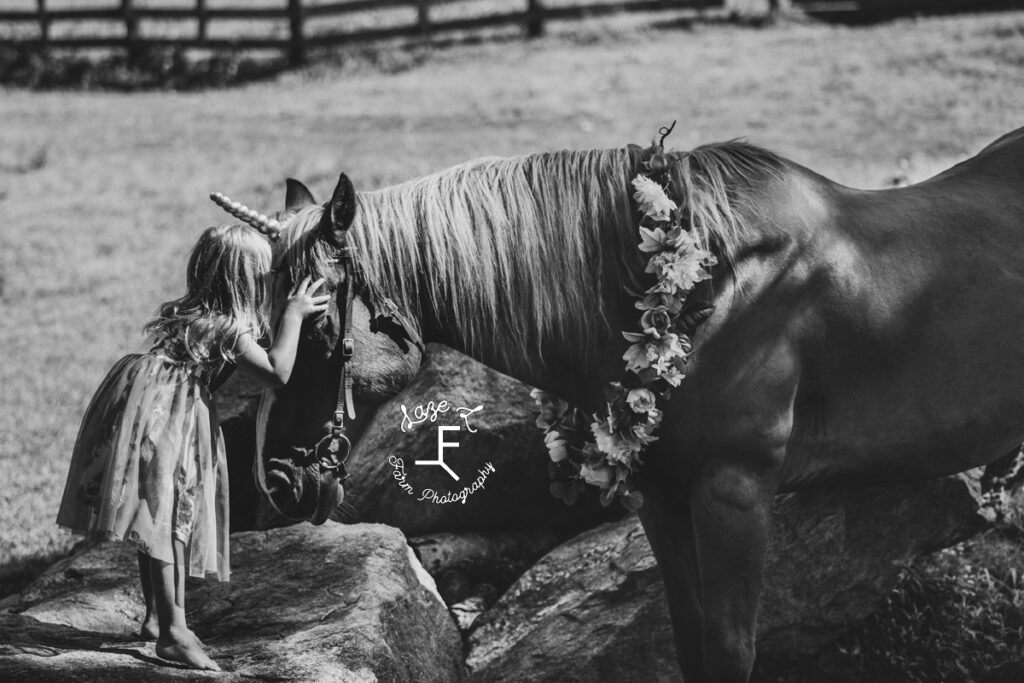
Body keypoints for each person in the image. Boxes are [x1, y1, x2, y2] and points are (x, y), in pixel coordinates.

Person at [56, 223, 329, 671]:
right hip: (170, 415)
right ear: (246, 282)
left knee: (158, 517)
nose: (271, 285)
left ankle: (155, 619)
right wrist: (295, 315)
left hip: (148, 405)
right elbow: (278, 372)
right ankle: (173, 632)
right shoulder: (228, 330)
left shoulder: (190, 313)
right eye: (265, 277)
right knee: (169, 523)